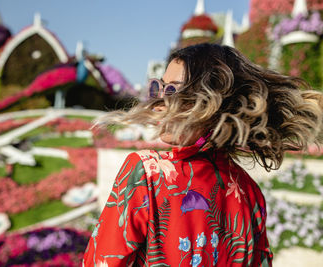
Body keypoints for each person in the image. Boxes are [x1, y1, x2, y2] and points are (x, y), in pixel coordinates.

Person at [83, 43, 323, 266]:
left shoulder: (147, 173)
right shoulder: (249, 193)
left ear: (212, 102)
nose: (158, 103)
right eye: (158, 88)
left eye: (173, 91)